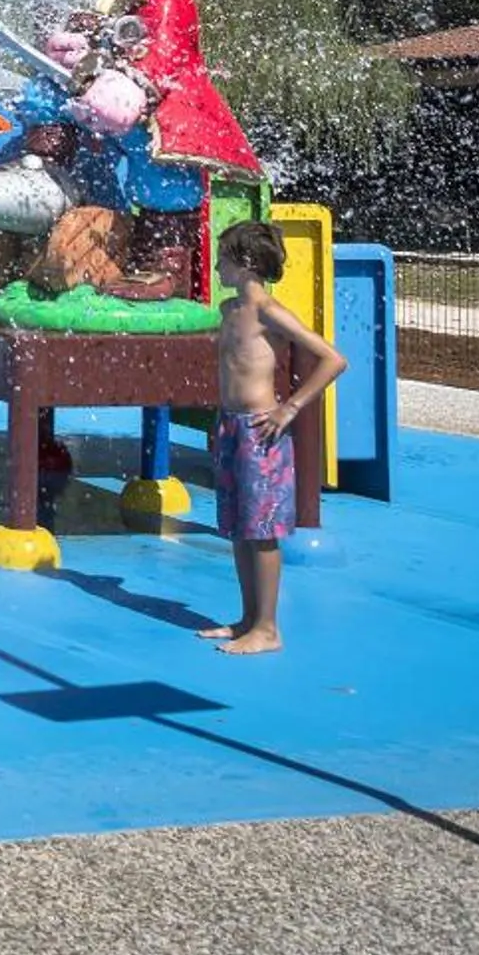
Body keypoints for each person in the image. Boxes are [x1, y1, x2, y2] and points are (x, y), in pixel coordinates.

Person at [197, 219, 343, 656]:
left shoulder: (269, 313)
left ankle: (268, 627)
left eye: (222, 256)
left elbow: (332, 359)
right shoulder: (228, 311)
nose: (217, 265)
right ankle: (248, 618)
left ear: (243, 263)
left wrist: (290, 408)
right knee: (241, 528)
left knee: (261, 531)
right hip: (231, 426)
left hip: (262, 429)